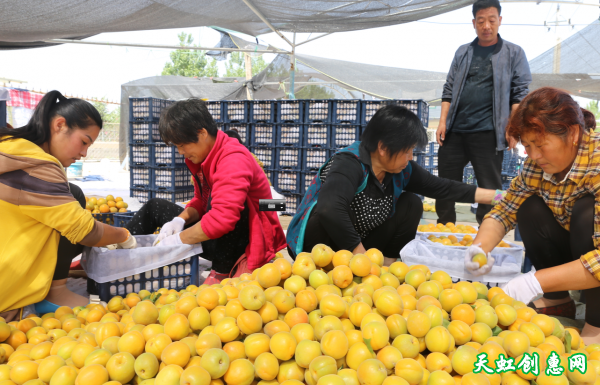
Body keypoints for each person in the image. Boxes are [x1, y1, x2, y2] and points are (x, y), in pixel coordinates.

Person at [287, 104, 504, 267]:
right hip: (318, 246)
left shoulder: (400, 169)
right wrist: (361, 258)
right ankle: (337, 267)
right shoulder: (349, 163)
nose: (410, 157)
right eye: (407, 150)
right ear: (382, 147)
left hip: (358, 246)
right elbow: (329, 209)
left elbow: (443, 187)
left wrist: (500, 197)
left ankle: (389, 265)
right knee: (335, 206)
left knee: (410, 203)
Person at [467, 87, 600, 343]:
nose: (535, 156)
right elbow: (505, 211)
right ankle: (557, 300)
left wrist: (531, 282)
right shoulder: (534, 167)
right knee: (529, 207)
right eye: (528, 146)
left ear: (572, 133)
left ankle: (596, 324)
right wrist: (479, 249)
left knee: (585, 212)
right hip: (576, 254)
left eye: (540, 145)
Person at [0, 91, 136, 321]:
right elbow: (87, 231)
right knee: (73, 200)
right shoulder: (40, 166)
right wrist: (122, 235)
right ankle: (56, 292)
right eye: (84, 142)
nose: (83, 153)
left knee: (73, 193)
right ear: (60, 125)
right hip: (7, 288)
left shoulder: (11, 147)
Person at [125, 98, 286, 283]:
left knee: (227, 206)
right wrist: (179, 220)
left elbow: (222, 218)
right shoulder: (203, 159)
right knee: (155, 207)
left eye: (182, 145)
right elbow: (201, 201)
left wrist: (177, 240)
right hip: (219, 238)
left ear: (201, 133)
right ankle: (115, 253)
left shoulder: (234, 159)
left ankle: (222, 271)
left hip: (246, 241)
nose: (180, 152)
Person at [435, 0, 532, 225]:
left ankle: (488, 226)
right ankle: (444, 225)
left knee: (492, 186)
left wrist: (512, 128)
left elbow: (519, 94)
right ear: (473, 23)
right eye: (481, 21)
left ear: (500, 20)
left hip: (489, 133)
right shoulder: (463, 52)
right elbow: (448, 88)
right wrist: (442, 122)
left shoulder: (514, 53)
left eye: (491, 20)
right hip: (455, 131)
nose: (486, 25)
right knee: (445, 184)